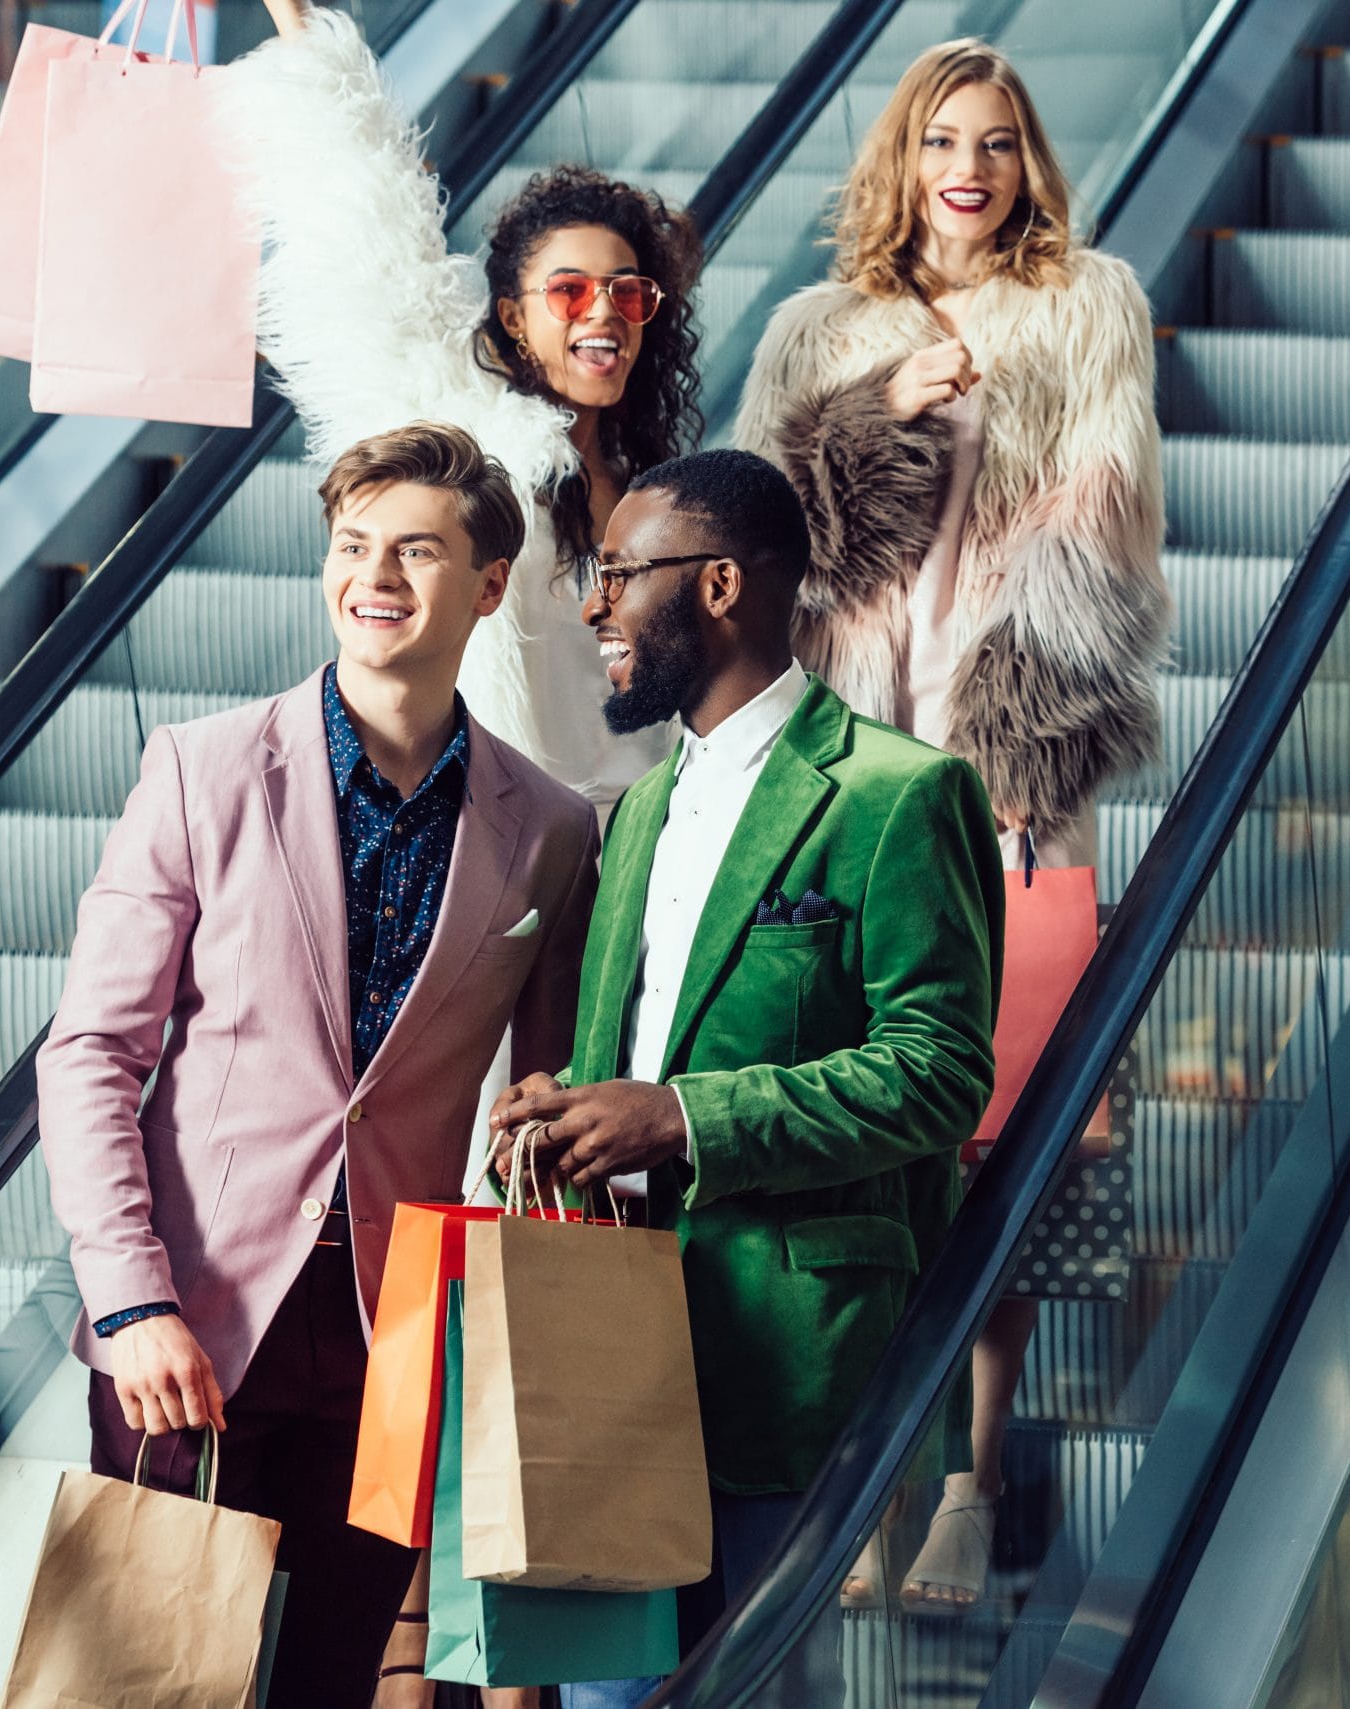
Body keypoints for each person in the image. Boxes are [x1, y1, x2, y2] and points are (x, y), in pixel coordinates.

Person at [35, 422, 599, 1708]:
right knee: (145, 1686)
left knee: (329, 1684)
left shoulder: (552, 828)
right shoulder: (202, 768)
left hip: (394, 1341)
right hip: (189, 1333)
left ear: (490, 581)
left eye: (414, 548)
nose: (374, 575)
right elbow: (89, 1055)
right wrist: (128, 1301)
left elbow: (537, 1107)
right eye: (352, 546)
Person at [734, 37, 1170, 1614]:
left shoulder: (1086, 304)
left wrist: (1023, 734)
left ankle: (974, 1485)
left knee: (998, 1144)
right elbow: (762, 535)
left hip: (1006, 778)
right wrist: (877, 413)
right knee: (861, 1134)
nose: (969, 171)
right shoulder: (818, 329)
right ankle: (868, 1480)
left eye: (995, 143)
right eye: (939, 143)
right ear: (900, 163)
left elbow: (1110, 516)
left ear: (1027, 159)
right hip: (851, 770)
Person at [489, 449, 1006, 1708]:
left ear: (719, 584)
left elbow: (937, 1073)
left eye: (619, 573)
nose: (595, 604)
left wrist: (679, 1116)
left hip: (791, 1359)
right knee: (612, 1697)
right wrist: (566, 1108)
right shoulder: (639, 808)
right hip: (614, 1355)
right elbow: (637, 1056)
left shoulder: (898, 793)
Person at [218, 0, 706, 816]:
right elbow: (377, 236)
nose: (604, 312)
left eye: (626, 292)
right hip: (509, 846)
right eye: (569, 291)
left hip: (645, 847)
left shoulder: (655, 486)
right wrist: (301, 24)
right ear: (514, 317)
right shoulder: (479, 446)